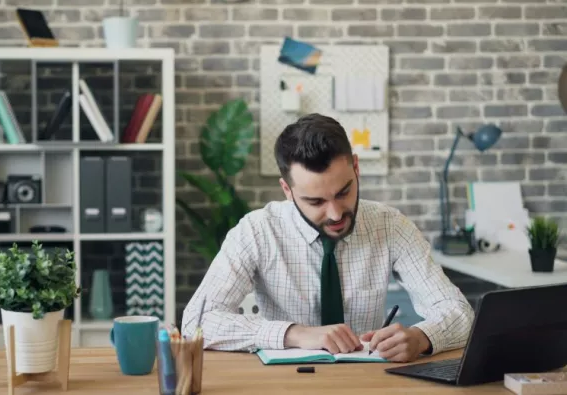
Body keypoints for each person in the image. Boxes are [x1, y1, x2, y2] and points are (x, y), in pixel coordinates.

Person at [181, 113, 474, 363]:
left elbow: (458, 312)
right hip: (281, 386)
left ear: (356, 168)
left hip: (365, 384)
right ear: (287, 190)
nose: (335, 214)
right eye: (316, 201)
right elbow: (196, 322)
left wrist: (421, 337)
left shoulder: (391, 226)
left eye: (344, 192)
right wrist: (296, 334)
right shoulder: (256, 231)